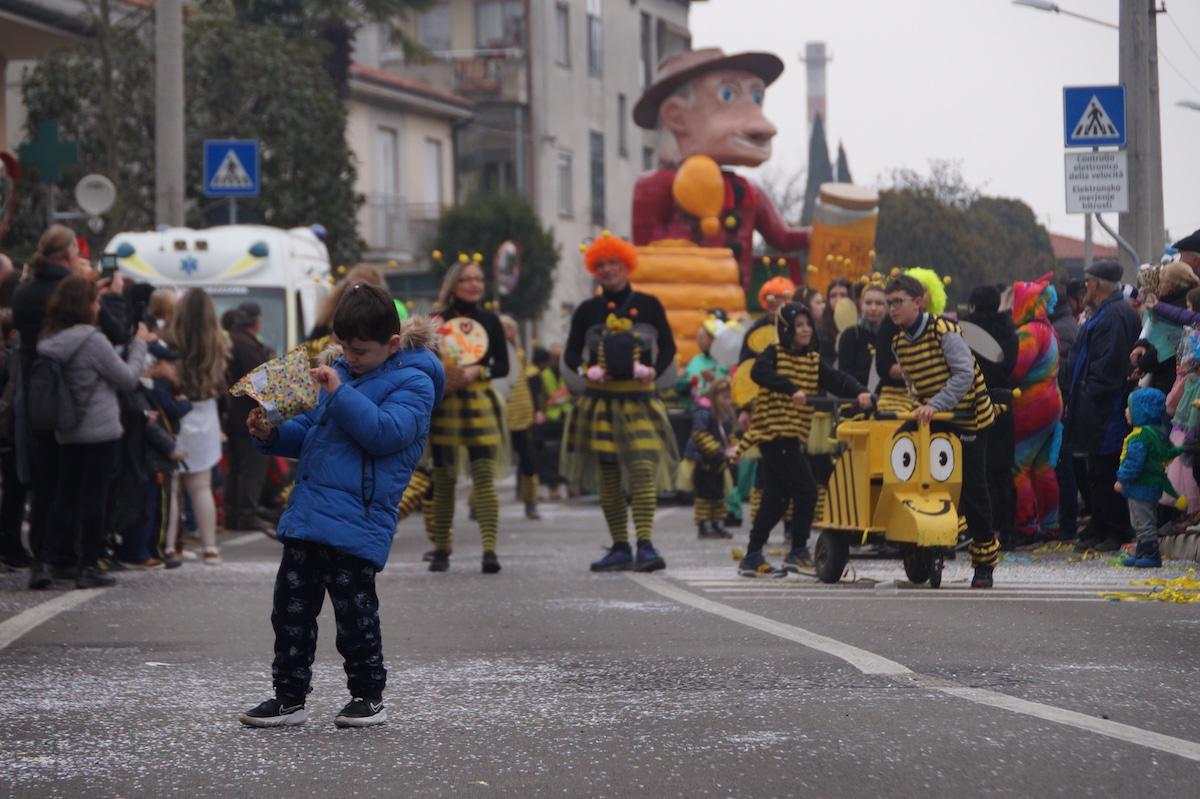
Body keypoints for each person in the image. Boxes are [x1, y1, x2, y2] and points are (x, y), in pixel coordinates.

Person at [239, 283, 442, 728]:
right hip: (308, 514)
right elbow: (311, 431)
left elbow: (384, 432)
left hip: (358, 521)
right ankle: (288, 696)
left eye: (362, 351)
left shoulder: (416, 382)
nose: (352, 358)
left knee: (355, 617)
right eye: (345, 348)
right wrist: (271, 433)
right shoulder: (340, 374)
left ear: (392, 344)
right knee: (290, 611)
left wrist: (338, 391)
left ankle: (367, 695)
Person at [13, 226, 129, 589]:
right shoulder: (79, 302)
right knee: (90, 493)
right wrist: (108, 298)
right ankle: (80, 562)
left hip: (40, 400)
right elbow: (118, 339)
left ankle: (43, 560)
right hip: (87, 417)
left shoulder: (23, 294)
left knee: (49, 488)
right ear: (66, 257)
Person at [562, 233, 679, 572]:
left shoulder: (650, 304)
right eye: (600, 265)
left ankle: (645, 544)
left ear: (626, 264)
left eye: (613, 262)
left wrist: (653, 370)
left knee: (642, 471)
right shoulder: (587, 310)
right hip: (601, 404)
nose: (608, 270)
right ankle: (619, 546)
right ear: (593, 270)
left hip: (640, 401)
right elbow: (570, 352)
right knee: (609, 476)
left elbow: (669, 347)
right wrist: (587, 370)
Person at [734, 301, 871, 576]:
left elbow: (836, 379)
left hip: (792, 436)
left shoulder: (811, 360)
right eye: (799, 326)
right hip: (774, 434)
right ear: (786, 329)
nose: (805, 330)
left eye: (808, 324)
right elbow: (757, 373)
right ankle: (797, 552)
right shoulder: (774, 353)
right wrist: (790, 389)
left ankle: (752, 555)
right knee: (807, 490)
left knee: (776, 498)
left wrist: (860, 392)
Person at [36, 277, 153, 587]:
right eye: (94, 300)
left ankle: (47, 561)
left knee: (64, 495)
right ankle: (87, 566)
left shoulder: (51, 340)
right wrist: (140, 343)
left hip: (66, 427)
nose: (98, 305)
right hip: (100, 429)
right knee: (94, 498)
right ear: (84, 306)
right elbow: (127, 378)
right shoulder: (93, 341)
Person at [885, 274, 1000, 588]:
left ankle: (984, 563)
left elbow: (963, 375)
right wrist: (920, 404)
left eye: (899, 302)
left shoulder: (944, 330)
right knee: (900, 450)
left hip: (969, 414)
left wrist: (934, 404)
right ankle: (918, 535)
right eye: (889, 303)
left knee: (974, 487)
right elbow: (914, 382)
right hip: (936, 412)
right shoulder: (898, 341)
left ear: (919, 301)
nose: (893, 309)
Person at [426, 257, 509, 574]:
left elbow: (502, 364)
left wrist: (478, 370)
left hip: (479, 405)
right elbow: (423, 360)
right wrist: (444, 373)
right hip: (446, 405)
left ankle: (489, 549)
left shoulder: (490, 320)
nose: (474, 284)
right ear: (454, 285)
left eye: (479, 279)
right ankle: (441, 548)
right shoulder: (436, 320)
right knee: (444, 479)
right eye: (467, 279)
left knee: (484, 477)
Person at [1063, 259, 1141, 553]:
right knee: (1094, 469)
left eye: (1088, 283)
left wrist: (1089, 393)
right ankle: (1100, 522)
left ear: (1096, 285)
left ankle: (1117, 527)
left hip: (1105, 407)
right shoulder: (1103, 313)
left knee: (1107, 468)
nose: (1085, 289)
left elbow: (1107, 366)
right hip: (1091, 406)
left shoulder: (1114, 316)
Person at [162, 289, 229, 565]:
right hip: (207, 411)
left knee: (173, 483)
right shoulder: (218, 341)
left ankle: (169, 547)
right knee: (201, 486)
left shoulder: (169, 338)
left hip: (176, 410)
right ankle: (210, 547)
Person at [1009, 275, 1064, 544]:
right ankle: (1051, 524)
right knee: (1043, 467)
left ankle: (1026, 525)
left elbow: (1017, 369)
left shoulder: (1029, 332)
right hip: (1052, 400)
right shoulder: (1049, 329)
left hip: (1031, 404)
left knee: (1018, 465)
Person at [964, 285, 1020, 549]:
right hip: (1002, 401)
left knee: (976, 470)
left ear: (973, 306)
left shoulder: (964, 331)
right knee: (1002, 471)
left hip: (972, 404)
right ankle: (1007, 530)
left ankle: (979, 530)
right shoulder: (1010, 331)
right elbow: (1010, 365)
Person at [1115, 387, 1183, 569]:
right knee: (1138, 520)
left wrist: (1122, 479)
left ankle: (1151, 553)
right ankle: (1142, 551)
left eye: (1130, 408)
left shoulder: (1141, 436)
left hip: (1141, 486)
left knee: (1144, 521)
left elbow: (1134, 462)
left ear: (1142, 411)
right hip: (1144, 486)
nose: (1126, 411)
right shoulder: (1149, 433)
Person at [224, 302, 274, 532]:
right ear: (255, 322)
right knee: (251, 465)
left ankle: (233, 512)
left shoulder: (232, 339)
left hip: (232, 413)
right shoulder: (246, 344)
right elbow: (259, 377)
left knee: (236, 466)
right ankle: (246, 513)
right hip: (247, 413)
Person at [1130, 261, 1199, 393]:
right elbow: (1151, 325)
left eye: (1162, 282)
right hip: (1163, 373)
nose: (1159, 286)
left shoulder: (1183, 305)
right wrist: (1142, 343)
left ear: (1172, 285)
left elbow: (1166, 343)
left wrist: (1141, 364)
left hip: (1169, 377)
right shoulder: (1167, 302)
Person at [500, 314, 543, 520]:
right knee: (487, 457)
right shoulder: (492, 353)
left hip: (521, 409)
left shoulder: (519, 353)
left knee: (527, 457)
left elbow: (528, 382)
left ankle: (531, 500)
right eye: (505, 328)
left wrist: (536, 408)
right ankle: (477, 501)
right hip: (500, 407)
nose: (510, 332)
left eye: (511, 329)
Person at [687, 378, 738, 538]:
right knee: (704, 495)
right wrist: (719, 452)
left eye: (729, 397)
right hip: (704, 461)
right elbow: (700, 435)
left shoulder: (725, 418)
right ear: (714, 397)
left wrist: (735, 449)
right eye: (724, 397)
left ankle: (716, 523)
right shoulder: (704, 412)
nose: (728, 401)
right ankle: (704, 524)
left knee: (718, 494)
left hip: (718, 463)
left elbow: (729, 437)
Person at [533, 345, 570, 499]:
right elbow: (540, 396)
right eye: (555, 358)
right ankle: (552, 487)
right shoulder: (543, 375)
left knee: (566, 453)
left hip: (566, 415)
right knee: (549, 455)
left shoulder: (567, 375)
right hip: (549, 418)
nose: (557, 361)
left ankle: (567, 485)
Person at [837, 280, 887, 387]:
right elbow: (845, 375)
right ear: (860, 304)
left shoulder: (892, 335)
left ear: (886, 306)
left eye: (879, 303)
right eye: (868, 303)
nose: (873, 308)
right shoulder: (850, 335)